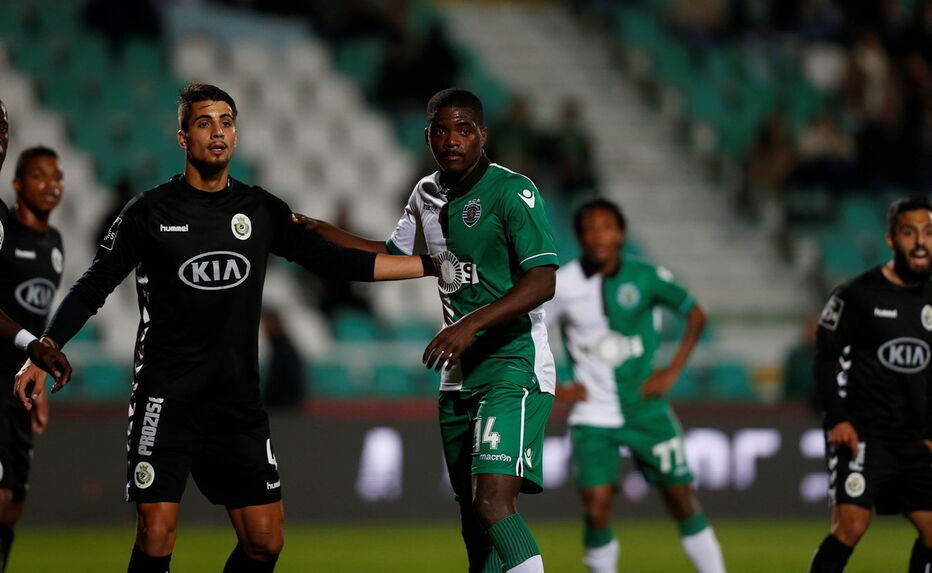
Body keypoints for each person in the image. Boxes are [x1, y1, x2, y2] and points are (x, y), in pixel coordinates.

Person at [14, 83, 433, 573]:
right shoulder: (149, 212)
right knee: (155, 531)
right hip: (166, 395)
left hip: (236, 400)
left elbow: (337, 262)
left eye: (226, 122)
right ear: (183, 137)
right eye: (204, 122)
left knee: (265, 541)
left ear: (235, 135)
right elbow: (92, 286)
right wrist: (45, 347)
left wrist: (431, 265)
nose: (217, 132)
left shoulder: (259, 209)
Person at [294, 88, 559, 572]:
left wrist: (470, 324)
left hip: (513, 363)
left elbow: (543, 281)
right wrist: (324, 232)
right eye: (441, 130)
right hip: (458, 377)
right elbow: (391, 257)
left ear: (483, 135)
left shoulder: (512, 191)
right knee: (473, 519)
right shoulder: (426, 194)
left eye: (463, 130)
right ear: (427, 136)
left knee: (492, 503)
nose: (451, 139)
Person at [545, 198, 726, 573]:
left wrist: (672, 371)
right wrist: (556, 386)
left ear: (621, 234)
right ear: (578, 236)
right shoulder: (562, 284)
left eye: (607, 227)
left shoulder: (646, 276)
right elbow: (530, 332)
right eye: (590, 229)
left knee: (680, 499)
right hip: (592, 414)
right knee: (596, 507)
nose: (599, 236)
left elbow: (695, 313)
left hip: (645, 409)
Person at [810, 195, 932, 572]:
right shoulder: (858, 294)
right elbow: (825, 357)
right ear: (891, 239)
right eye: (909, 232)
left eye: (928, 232)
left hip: (914, 439)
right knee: (851, 526)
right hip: (864, 435)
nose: (920, 242)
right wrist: (838, 418)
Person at [0, 145, 64, 570]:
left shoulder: (54, 243)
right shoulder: (4, 230)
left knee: (13, 505)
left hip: (21, 386)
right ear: (17, 184)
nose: (51, 184)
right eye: (39, 176)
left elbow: (41, 317)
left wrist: (37, 377)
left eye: (56, 177)